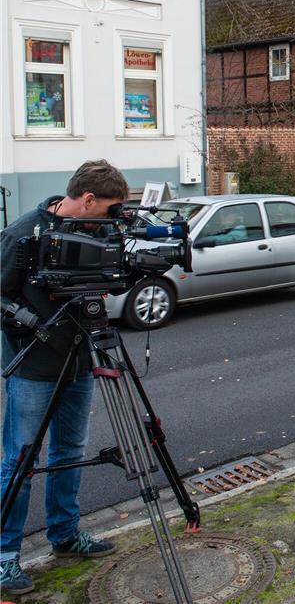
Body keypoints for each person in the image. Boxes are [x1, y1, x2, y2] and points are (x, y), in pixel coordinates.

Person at [0, 160, 128, 594]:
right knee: (20, 459)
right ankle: (3, 556)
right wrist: (33, 322)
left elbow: (111, 279)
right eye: (111, 209)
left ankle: (65, 535)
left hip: (79, 361)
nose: (113, 218)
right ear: (88, 200)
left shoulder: (98, 231)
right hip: (34, 365)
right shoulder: (21, 233)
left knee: (69, 450)